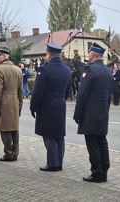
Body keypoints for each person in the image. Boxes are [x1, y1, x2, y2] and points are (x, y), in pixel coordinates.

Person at [73, 42, 113, 183]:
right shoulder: (108, 71)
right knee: (102, 142)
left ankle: (96, 172)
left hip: (90, 113)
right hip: (103, 112)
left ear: (92, 54)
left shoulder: (89, 70)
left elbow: (82, 94)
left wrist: (77, 115)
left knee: (93, 144)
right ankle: (104, 172)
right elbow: (109, 95)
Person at [30, 43, 72, 171]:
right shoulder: (67, 69)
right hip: (60, 103)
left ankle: (53, 163)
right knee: (59, 135)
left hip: (47, 104)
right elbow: (68, 91)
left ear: (48, 54)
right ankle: (59, 162)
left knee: (48, 135)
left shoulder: (44, 69)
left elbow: (37, 91)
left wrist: (33, 106)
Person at [0, 48, 23, 161]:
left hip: (4, 101)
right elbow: (20, 90)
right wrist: (20, 105)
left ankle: (8, 153)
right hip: (15, 100)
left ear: (5, 56)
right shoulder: (17, 69)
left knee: (5, 129)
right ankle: (15, 152)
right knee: (14, 128)